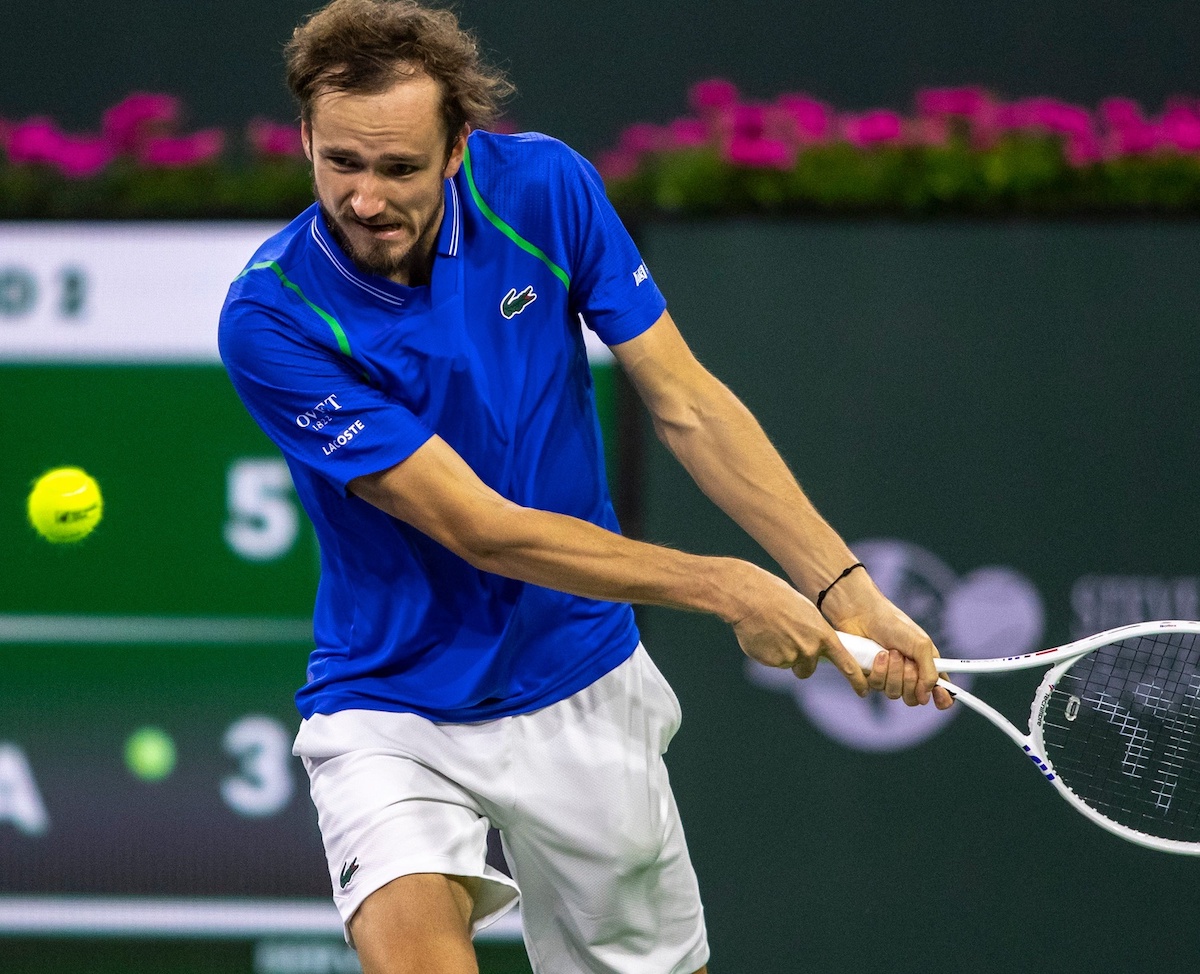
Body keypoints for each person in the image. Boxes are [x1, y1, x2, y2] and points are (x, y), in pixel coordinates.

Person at [219, 1, 953, 971]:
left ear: (456, 150)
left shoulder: (546, 190)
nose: (364, 198)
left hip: (579, 677)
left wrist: (844, 587)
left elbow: (688, 404)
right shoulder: (273, 319)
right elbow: (477, 526)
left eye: (397, 168)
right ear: (307, 137)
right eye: (340, 162)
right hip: (390, 701)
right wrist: (727, 584)